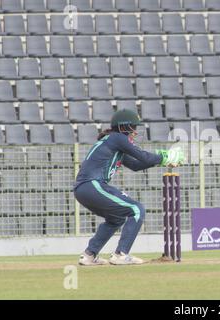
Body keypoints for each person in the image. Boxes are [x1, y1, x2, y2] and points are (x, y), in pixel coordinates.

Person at [75, 109, 184, 266]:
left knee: (116, 219)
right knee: (137, 209)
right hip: (91, 185)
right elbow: (143, 156)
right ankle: (121, 254)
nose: (135, 132)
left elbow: (136, 165)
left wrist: (163, 161)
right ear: (124, 127)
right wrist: (166, 156)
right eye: (134, 127)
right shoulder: (117, 138)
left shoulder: (112, 142)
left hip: (83, 189)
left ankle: (89, 255)